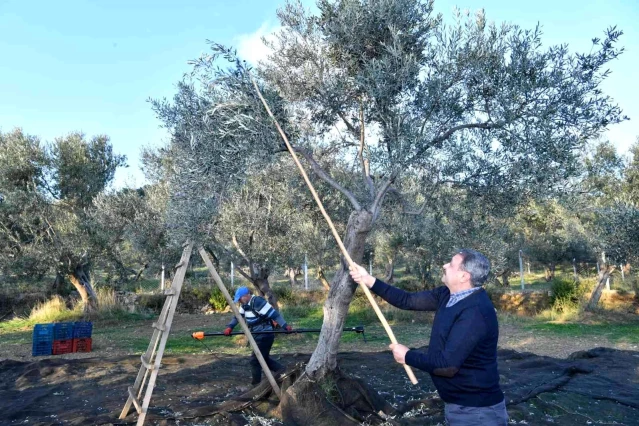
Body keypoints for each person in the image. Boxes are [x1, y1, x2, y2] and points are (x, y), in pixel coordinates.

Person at [350, 249, 508, 426]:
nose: (445, 265)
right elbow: (407, 300)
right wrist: (368, 280)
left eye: (451, 264)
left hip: (476, 411)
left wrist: (408, 356)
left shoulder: (475, 313)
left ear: (464, 276)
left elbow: (447, 365)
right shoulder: (447, 295)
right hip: (458, 405)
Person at [224, 286, 293, 385]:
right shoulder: (244, 305)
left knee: (255, 361)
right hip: (256, 335)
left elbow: (275, 315)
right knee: (263, 358)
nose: (239, 300)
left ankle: (256, 384)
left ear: (247, 295)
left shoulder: (258, 302)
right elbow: (238, 317)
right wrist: (230, 327)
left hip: (265, 335)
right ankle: (283, 371)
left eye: (240, 298)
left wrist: (285, 326)